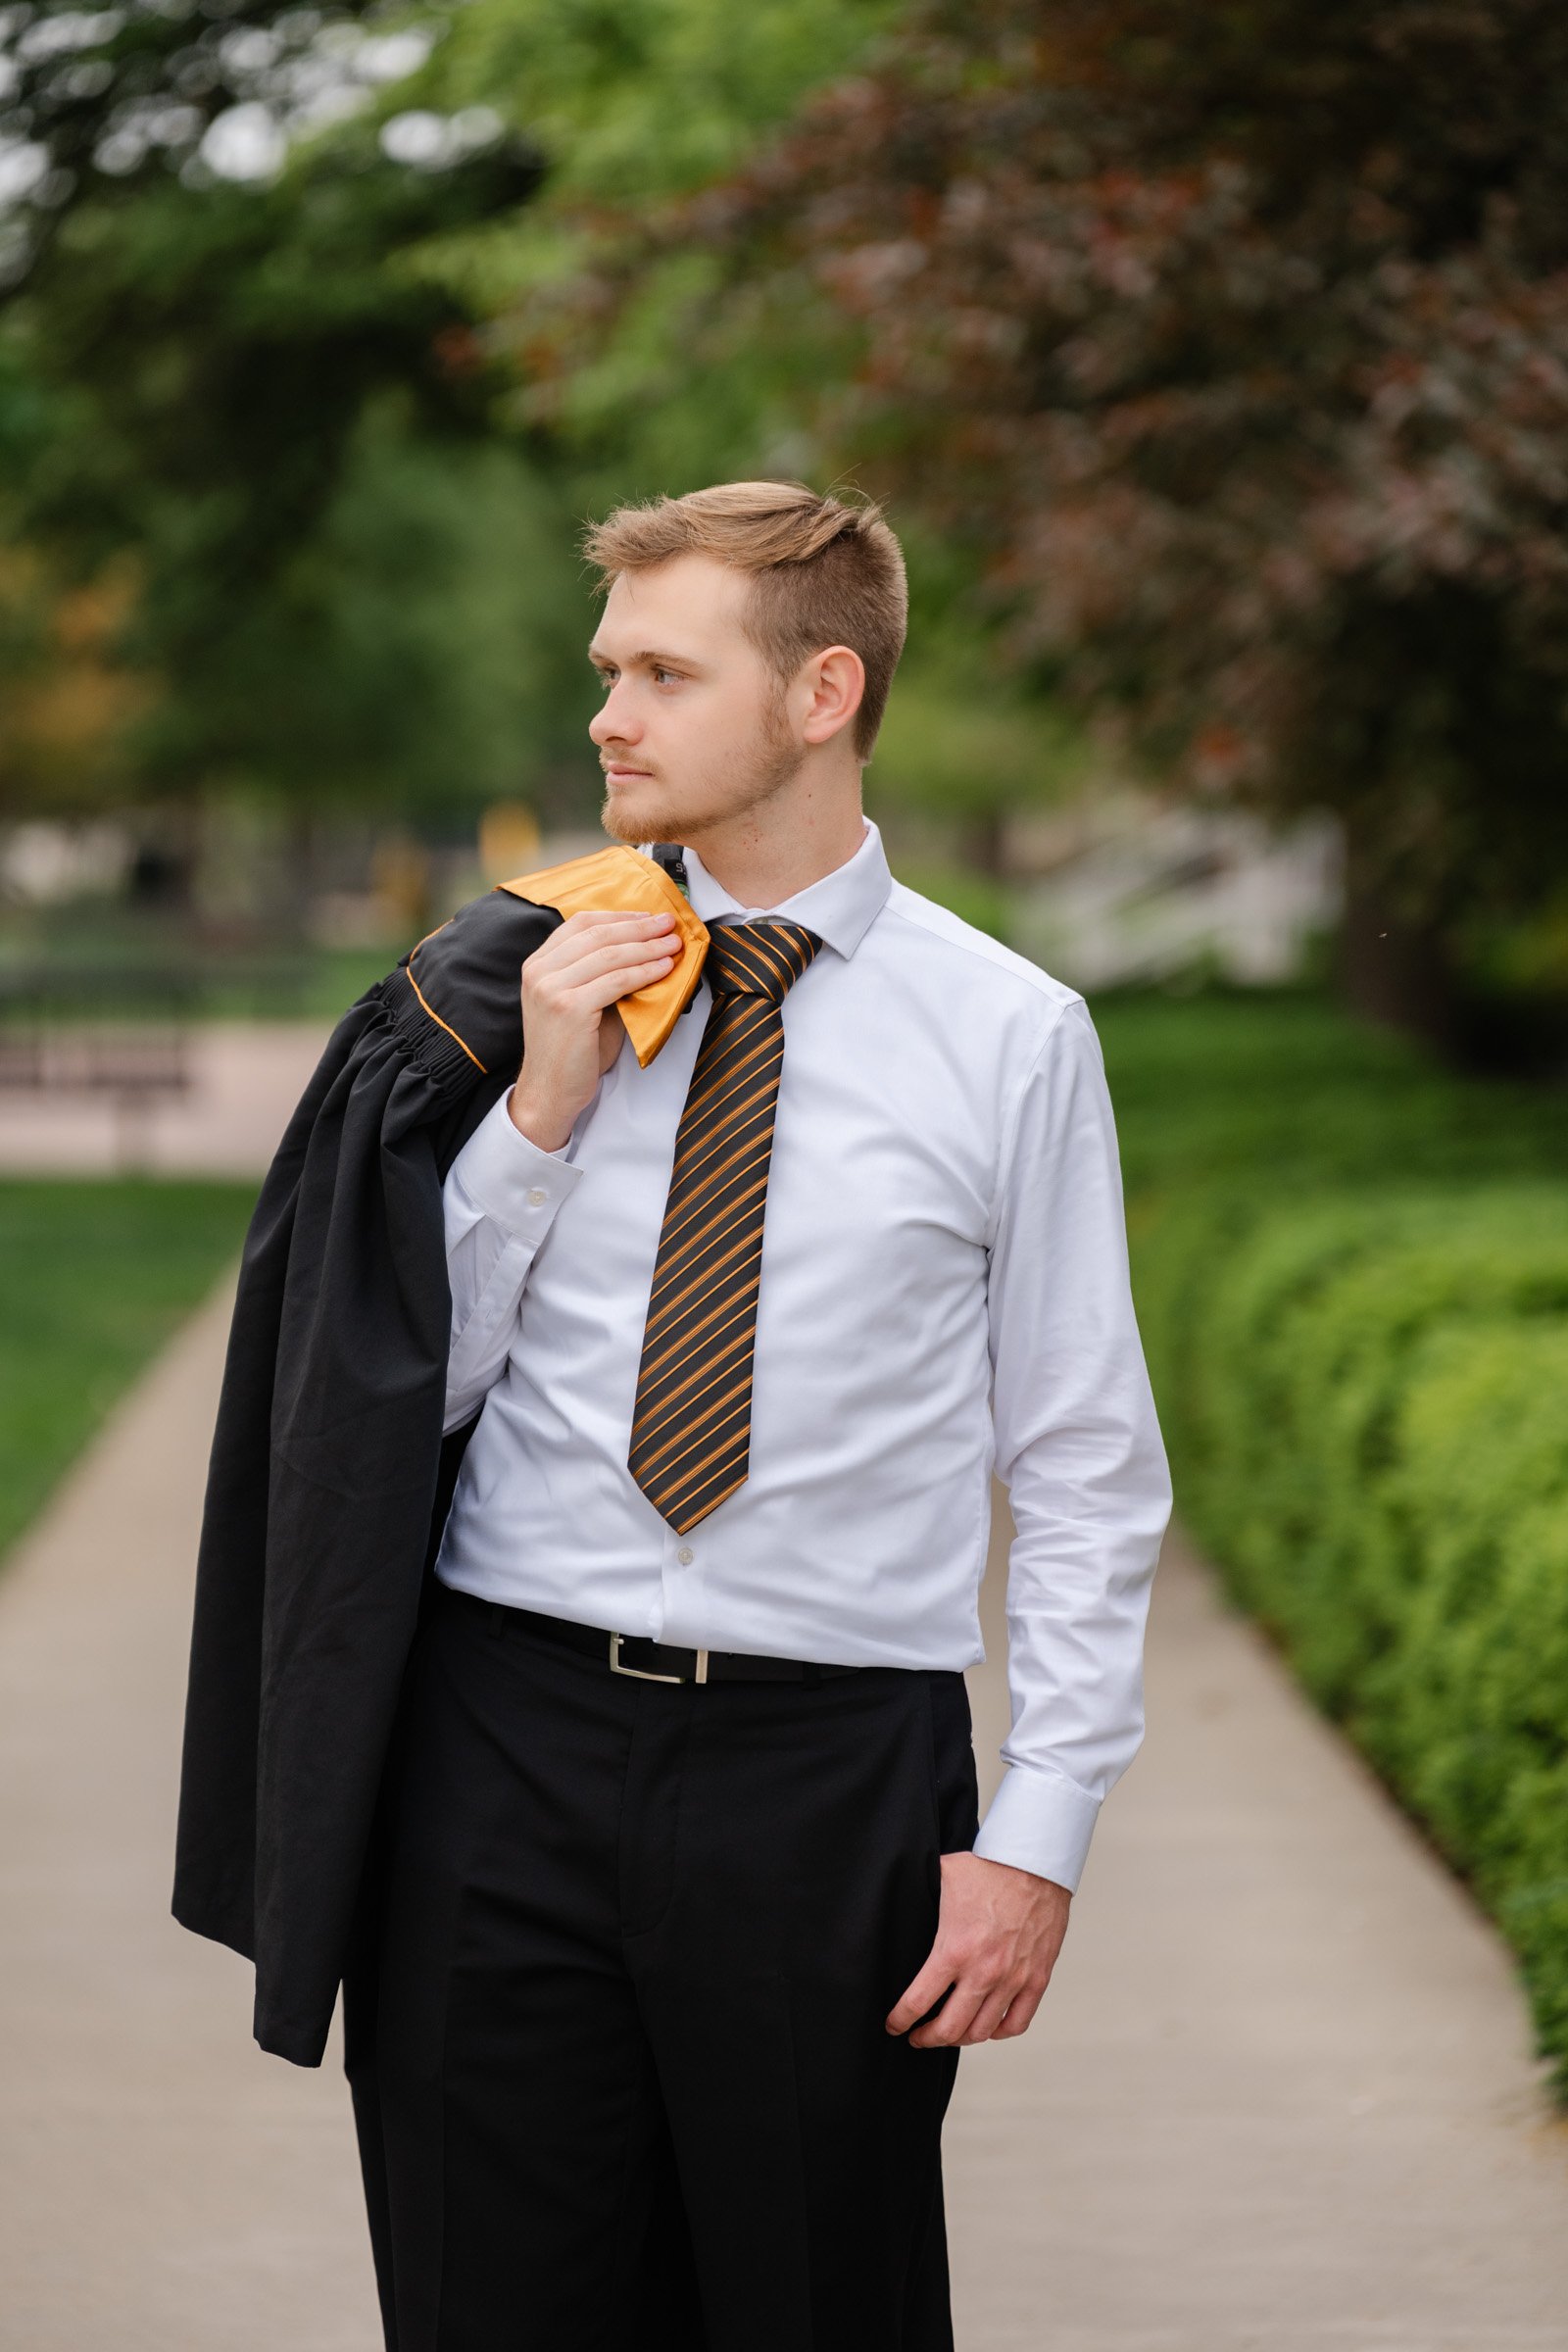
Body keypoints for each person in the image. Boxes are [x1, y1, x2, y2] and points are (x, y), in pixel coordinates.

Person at [173, 479, 1171, 2352]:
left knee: (814, 2305)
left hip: (826, 1785)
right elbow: (393, 1404)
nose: (604, 718)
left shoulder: (1011, 1033)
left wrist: (1038, 1833)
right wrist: (539, 1112)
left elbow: (1085, 1459)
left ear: (822, 694)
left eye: (659, 672)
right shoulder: (503, 993)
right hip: (500, 1752)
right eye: (603, 670)